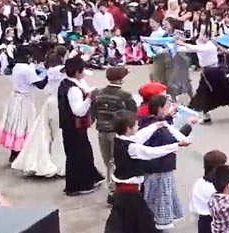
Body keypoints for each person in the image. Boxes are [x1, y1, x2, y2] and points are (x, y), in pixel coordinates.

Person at [98, 111, 178, 233]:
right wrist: (176, 146)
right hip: (130, 195)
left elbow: (139, 137)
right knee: (144, 226)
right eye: (135, 125)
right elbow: (149, 152)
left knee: (119, 228)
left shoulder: (120, 140)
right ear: (128, 128)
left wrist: (156, 125)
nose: (137, 127)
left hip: (123, 193)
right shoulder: (131, 147)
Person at [138, 94, 194, 230]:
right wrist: (189, 125)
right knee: (159, 196)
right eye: (168, 106)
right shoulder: (159, 127)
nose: (170, 108)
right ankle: (156, 223)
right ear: (160, 108)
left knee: (155, 194)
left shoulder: (149, 122)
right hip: (159, 167)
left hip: (153, 166)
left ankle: (152, 221)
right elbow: (173, 140)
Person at [12, 46, 70, 177]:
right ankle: (58, 162)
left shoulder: (51, 70)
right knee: (56, 133)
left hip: (48, 102)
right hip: (55, 103)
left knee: (45, 132)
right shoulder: (58, 71)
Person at [57, 56, 104, 196]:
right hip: (74, 126)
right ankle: (78, 185)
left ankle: (91, 177)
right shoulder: (73, 89)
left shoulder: (69, 83)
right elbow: (78, 111)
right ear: (77, 72)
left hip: (72, 126)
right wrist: (89, 98)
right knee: (78, 155)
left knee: (83, 153)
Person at [0, 45, 47, 163]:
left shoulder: (18, 66)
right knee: (24, 126)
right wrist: (48, 74)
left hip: (16, 97)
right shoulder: (26, 69)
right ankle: (20, 154)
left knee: (17, 126)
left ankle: (14, 153)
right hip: (24, 99)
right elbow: (40, 85)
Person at [91, 67, 137, 194]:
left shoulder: (99, 93)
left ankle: (111, 187)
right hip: (117, 132)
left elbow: (93, 112)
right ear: (121, 79)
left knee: (108, 161)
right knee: (116, 161)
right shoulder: (125, 96)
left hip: (102, 130)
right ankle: (115, 188)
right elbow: (132, 114)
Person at [178, 35, 229, 123]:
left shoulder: (210, 45)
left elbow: (196, 48)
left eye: (203, 36)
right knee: (203, 93)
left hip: (214, 72)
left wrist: (182, 43)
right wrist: (175, 46)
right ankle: (205, 114)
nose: (201, 38)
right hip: (206, 73)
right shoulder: (201, 45)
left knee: (225, 90)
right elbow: (190, 49)